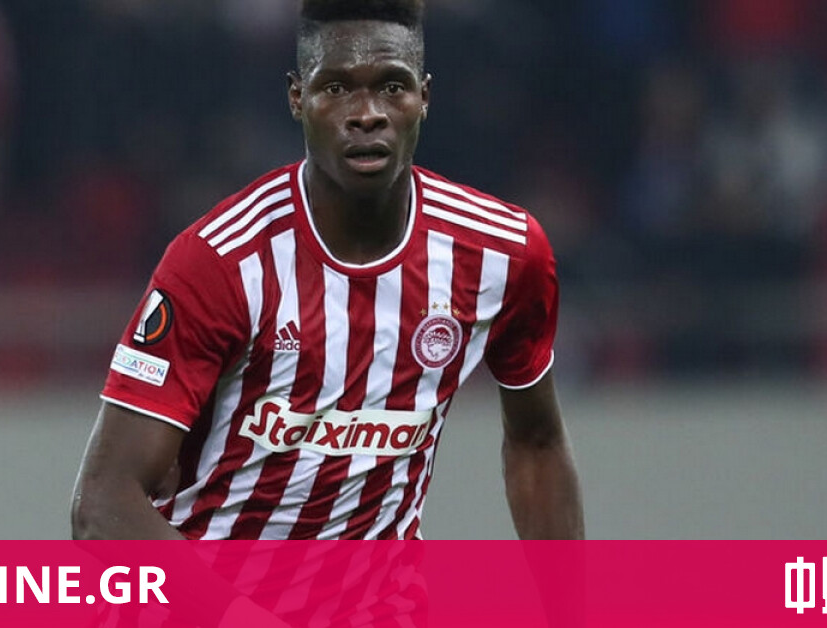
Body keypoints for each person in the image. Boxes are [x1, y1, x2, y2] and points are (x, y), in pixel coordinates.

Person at [72, 0, 583, 542]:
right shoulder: (222, 262)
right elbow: (102, 504)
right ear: (298, 99)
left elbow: (537, 443)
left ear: (424, 97)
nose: (367, 113)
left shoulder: (503, 255)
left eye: (392, 86)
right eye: (336, 88)